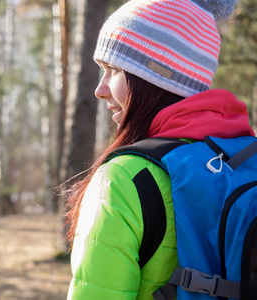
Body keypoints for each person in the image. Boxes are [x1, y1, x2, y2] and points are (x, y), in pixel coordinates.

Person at [64, 0, 255, 299]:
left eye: (113, 69)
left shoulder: (123, 178)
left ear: (154, 76)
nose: (100, 90)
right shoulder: (244, 158)